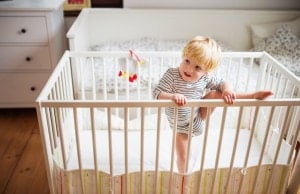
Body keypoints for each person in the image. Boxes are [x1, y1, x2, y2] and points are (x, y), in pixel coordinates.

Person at [152, 36, 273, 173]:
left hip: (198, 116)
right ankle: (183, 177)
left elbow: (222, 82)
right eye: (187, 61)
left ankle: (252, 95)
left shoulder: (205, 78)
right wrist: (173, 96)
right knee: (182, 157)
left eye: (197, 67)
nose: (189, 69)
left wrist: (227, 89)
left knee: (218, 93)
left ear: (206, 71)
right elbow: (157, 93)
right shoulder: (172, 75)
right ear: (183, 56)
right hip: (181, 128)